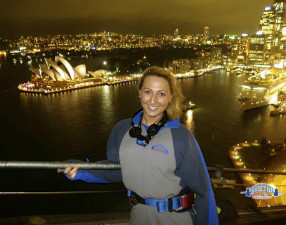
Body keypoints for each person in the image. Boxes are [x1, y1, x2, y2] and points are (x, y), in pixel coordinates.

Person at [58, 66, 219, 225]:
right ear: (139, 92)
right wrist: (80, 169)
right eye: (148, 91)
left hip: (176, 218)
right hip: (138, 216)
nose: (153, 100)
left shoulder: (181, 136)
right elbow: (116, 170)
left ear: (171, 97)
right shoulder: (122, 130)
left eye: (161, 94)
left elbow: (204, 190)